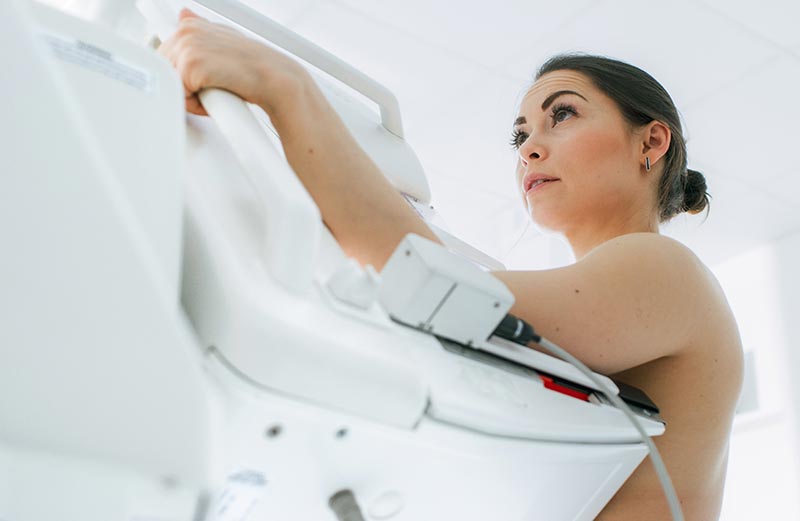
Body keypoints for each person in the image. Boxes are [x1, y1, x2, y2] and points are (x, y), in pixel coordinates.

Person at [159, 9, 744, 520]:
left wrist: (283, 87)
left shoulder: (666, 269)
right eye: (520, 137)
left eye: (562, 115)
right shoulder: (625, 295)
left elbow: (435, 283)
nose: (531, 149)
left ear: (652, 142)